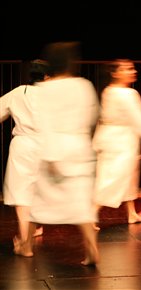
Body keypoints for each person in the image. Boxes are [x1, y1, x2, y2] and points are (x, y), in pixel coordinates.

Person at [13, 41, 100, 265]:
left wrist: (51, 155)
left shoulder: (45, 90)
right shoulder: (84, 85)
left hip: (54, 151)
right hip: (79, 150)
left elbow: (46, 124)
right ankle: (91, 251)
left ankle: (26, 246)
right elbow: (91, 117)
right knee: (81, 205)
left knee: (36, 204)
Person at [92, 59, 141, 227]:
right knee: (114, 178)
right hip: (121, 141)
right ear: (115, 73)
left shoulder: (108, 91)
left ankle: (132, 213)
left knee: (127, 177)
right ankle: (91, 213)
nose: (133, 71)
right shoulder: (127, 94)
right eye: (128, 69)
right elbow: (139, 119)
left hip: (112, 137)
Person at [1, 60, 47, 249]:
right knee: (39, 191)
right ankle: (31, 231)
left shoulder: (19, 92)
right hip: (47, 146)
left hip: (23, 145)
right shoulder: (55, 95)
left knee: (21, 191)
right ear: (48, 76)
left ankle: (25, 239)